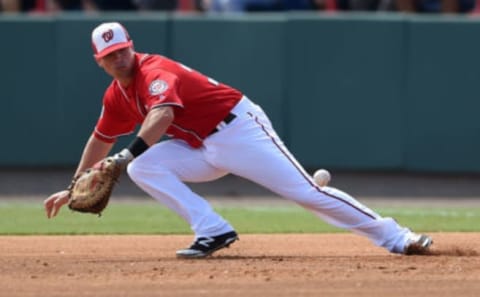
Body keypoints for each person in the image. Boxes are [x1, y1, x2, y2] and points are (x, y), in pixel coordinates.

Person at [44, 22, 433, 258]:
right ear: (99, 62)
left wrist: (124, 157)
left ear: (133, 46)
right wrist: (74, 183)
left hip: (238, 129)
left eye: (123, 51)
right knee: (146, 167)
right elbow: (99, 140)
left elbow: (162, 115)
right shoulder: (116, 96)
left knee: (306, 194)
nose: (119, 59)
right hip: (201, 148)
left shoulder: (154, 71)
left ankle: (398, 237)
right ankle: (211, 230)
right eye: (110, 56)